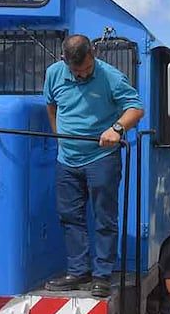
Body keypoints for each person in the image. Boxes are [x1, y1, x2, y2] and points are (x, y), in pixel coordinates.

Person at [43, 34, 145, 298]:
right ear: (64, 61)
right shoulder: (54, 74)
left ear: (94, 54)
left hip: (101, 158)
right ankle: (78, 271)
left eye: (86, 68)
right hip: (66, 160)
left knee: (104, 217)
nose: (81, 74)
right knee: (69, 216)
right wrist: (59, 139)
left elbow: (135, 108)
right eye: (76, 70)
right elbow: (51, 107)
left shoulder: (110, 76)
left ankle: (102, 275)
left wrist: (117, 128)